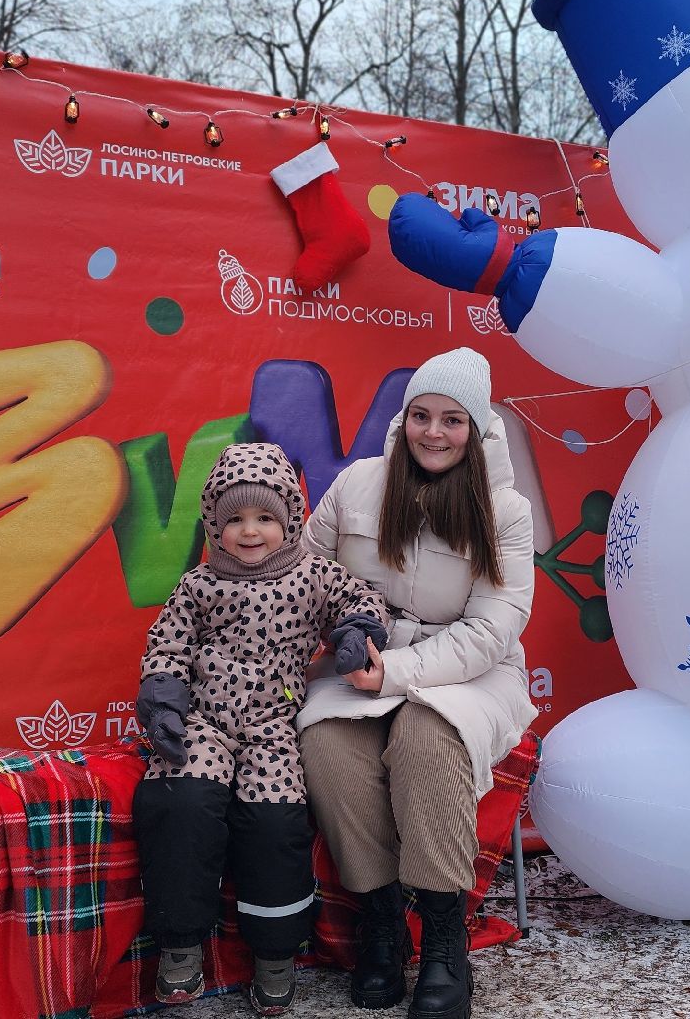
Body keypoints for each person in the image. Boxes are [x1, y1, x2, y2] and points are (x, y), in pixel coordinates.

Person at [297, 348, 537, 1019]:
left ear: (478, 429)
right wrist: (333, 641)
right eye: (422, 416)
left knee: (428, 736)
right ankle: (379, 921)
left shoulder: (506, 511)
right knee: (326, 745)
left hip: (469, 670)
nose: (434, 433)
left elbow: (494, 629)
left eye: (452, 420)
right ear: (404, 421)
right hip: (363, 657)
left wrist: (394, 675)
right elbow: (305, 579)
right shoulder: (359, 484)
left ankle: (441, 935)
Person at [133, 442, 389, 1016]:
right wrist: (166, 701)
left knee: (275, 821)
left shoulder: (313, 577)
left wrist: (356, 633)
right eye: (235, 520)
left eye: (265, 518)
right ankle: (180, 945)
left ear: (291, 519)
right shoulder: (198, 585)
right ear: (214, 525)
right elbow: (168, 644)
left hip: (273, 724)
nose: (250, 532)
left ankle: (274, 954)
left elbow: (360, 599)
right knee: (180, 801)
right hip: (203, 720)